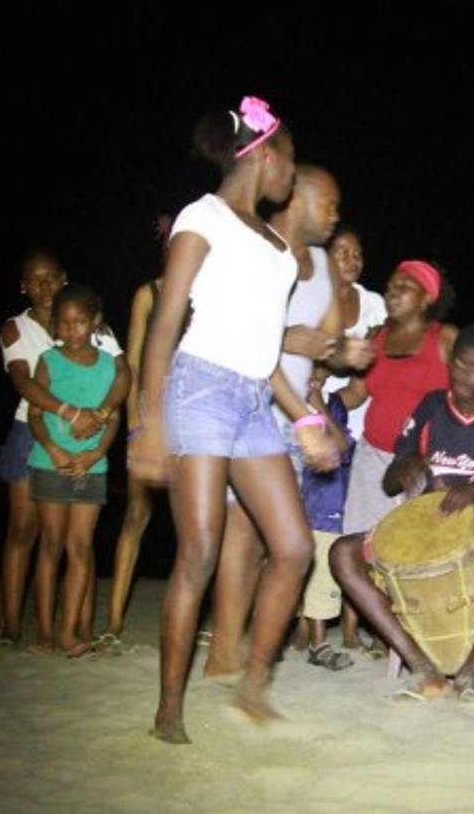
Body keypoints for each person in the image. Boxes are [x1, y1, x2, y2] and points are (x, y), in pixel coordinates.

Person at [129, 96, 331, 743]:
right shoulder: (202, 216)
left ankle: (252, 686)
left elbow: (265, 354)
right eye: (290, 164)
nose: (291, 178)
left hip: (251, 400)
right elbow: (166, 320)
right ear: (265, 155)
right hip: (199, 389)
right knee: (201, 550)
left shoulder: (277, 247)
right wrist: (148, 422)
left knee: (294, 546)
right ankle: (168, 710)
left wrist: (304, 420)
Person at [205, 164, 372, 678]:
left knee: (268, 539)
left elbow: (320, 345)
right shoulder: (260, 255)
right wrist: (292, 345)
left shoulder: (321, 265)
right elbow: (241, 334)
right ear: (299, 201)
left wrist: (346, 352)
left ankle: (247, 646)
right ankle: (223, 653)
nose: (336, 215)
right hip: (251, 403)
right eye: (331, 204)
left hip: (295, 412)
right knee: (242, 533)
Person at [330, 325, 474, 703]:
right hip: (430, 525)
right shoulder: (432, 406)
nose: (462, 376)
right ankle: (423, 668)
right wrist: (409, 468)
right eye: (457, 366)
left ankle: (469, 673)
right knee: (342, 553)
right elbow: (390, 482)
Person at [0, 247, 126, 646]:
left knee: (80, 544)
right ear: (23, 286)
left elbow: (122, 374)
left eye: (51, 277)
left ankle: (77, 628)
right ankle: (19, 627)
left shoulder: (96, 329)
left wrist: (101, 419)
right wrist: (70, 414)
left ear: (64, 278)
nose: (45, 285)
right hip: (37, 436)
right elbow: (24, 384)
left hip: (90, 443)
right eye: (35, 279)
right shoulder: (19, 330)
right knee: (26, 531)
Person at [336, 260, 457, 648]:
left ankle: (410, 631)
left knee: (412, 552)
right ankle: (354, 630)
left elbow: (468, 396)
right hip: (373, 456)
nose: (392, 290)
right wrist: (318, 401)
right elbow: (355, 394)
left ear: (427, 298)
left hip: (424, 463)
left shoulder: (445, 339)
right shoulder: (376, 339)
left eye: (405, 285)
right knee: (359, 543)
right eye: (391, 283)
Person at [27, 284, 130, 656]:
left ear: (95, 322)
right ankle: (43, 630)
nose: (72, 331)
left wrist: (97, 452)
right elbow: (35, 416)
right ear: (55, 325)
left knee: (81, 547)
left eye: (80, 323)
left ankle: (69, 630)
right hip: (50, 463)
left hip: (92, 465)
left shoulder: (108, 365)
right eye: (65, 324)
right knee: (50, 545)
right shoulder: (48, 361)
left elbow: (115, 418)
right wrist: (53, 449)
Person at [101, 217, 181, 644]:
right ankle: (114, 619)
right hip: (150, 417)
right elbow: (130, 363)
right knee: (136, 514)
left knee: (194, 526)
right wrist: (135, 422)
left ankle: (185, 623)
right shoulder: (147, 295)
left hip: (191, 421)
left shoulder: (204, 297)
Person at [298, 385, 356, 670]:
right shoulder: (283, 395)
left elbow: (342, 447)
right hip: (288, 501)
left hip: (324, 506)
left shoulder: (332, 404)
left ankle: (318, 644)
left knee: (322, 576)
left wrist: (319, 404)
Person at [322, 225, 386, 434]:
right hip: (313, 417)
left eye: (357, 254)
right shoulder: (311, 300)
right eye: (343, 253)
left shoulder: (375, 304)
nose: (353, 261)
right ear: (324, 256)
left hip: (359, 424)